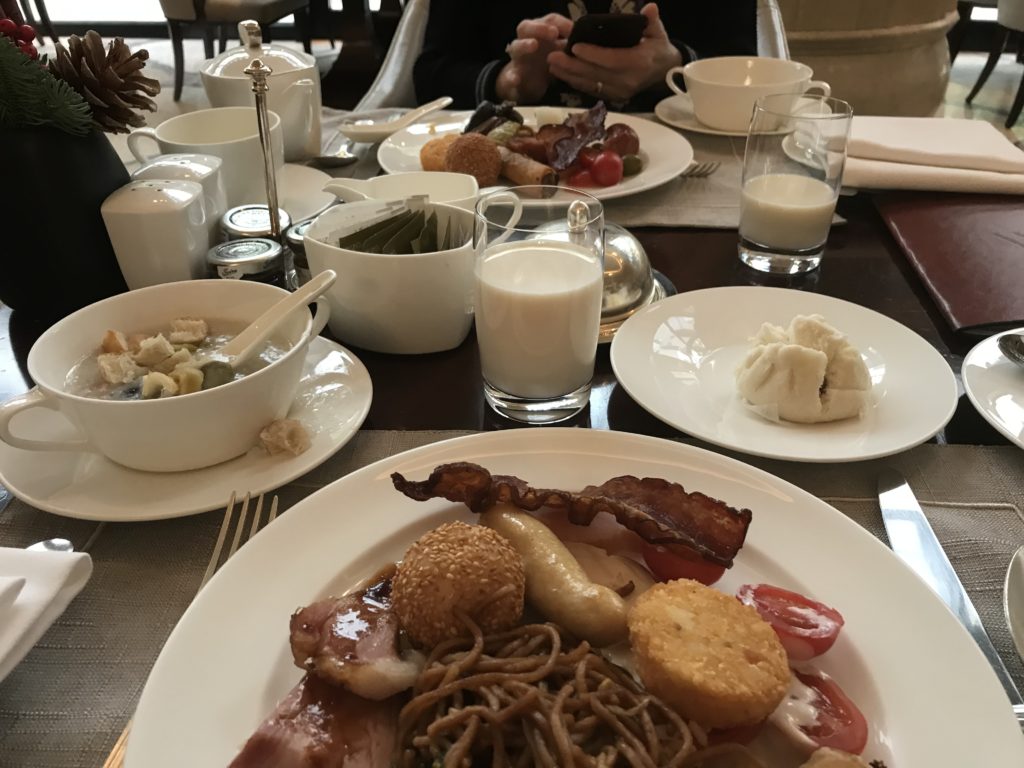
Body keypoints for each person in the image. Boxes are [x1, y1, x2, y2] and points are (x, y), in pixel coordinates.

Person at [414, 1, 757, 112]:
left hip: (689, 178)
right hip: (512, 194)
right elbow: (431, 78)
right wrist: (510, 82)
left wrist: (674, 66)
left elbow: (748, 74)